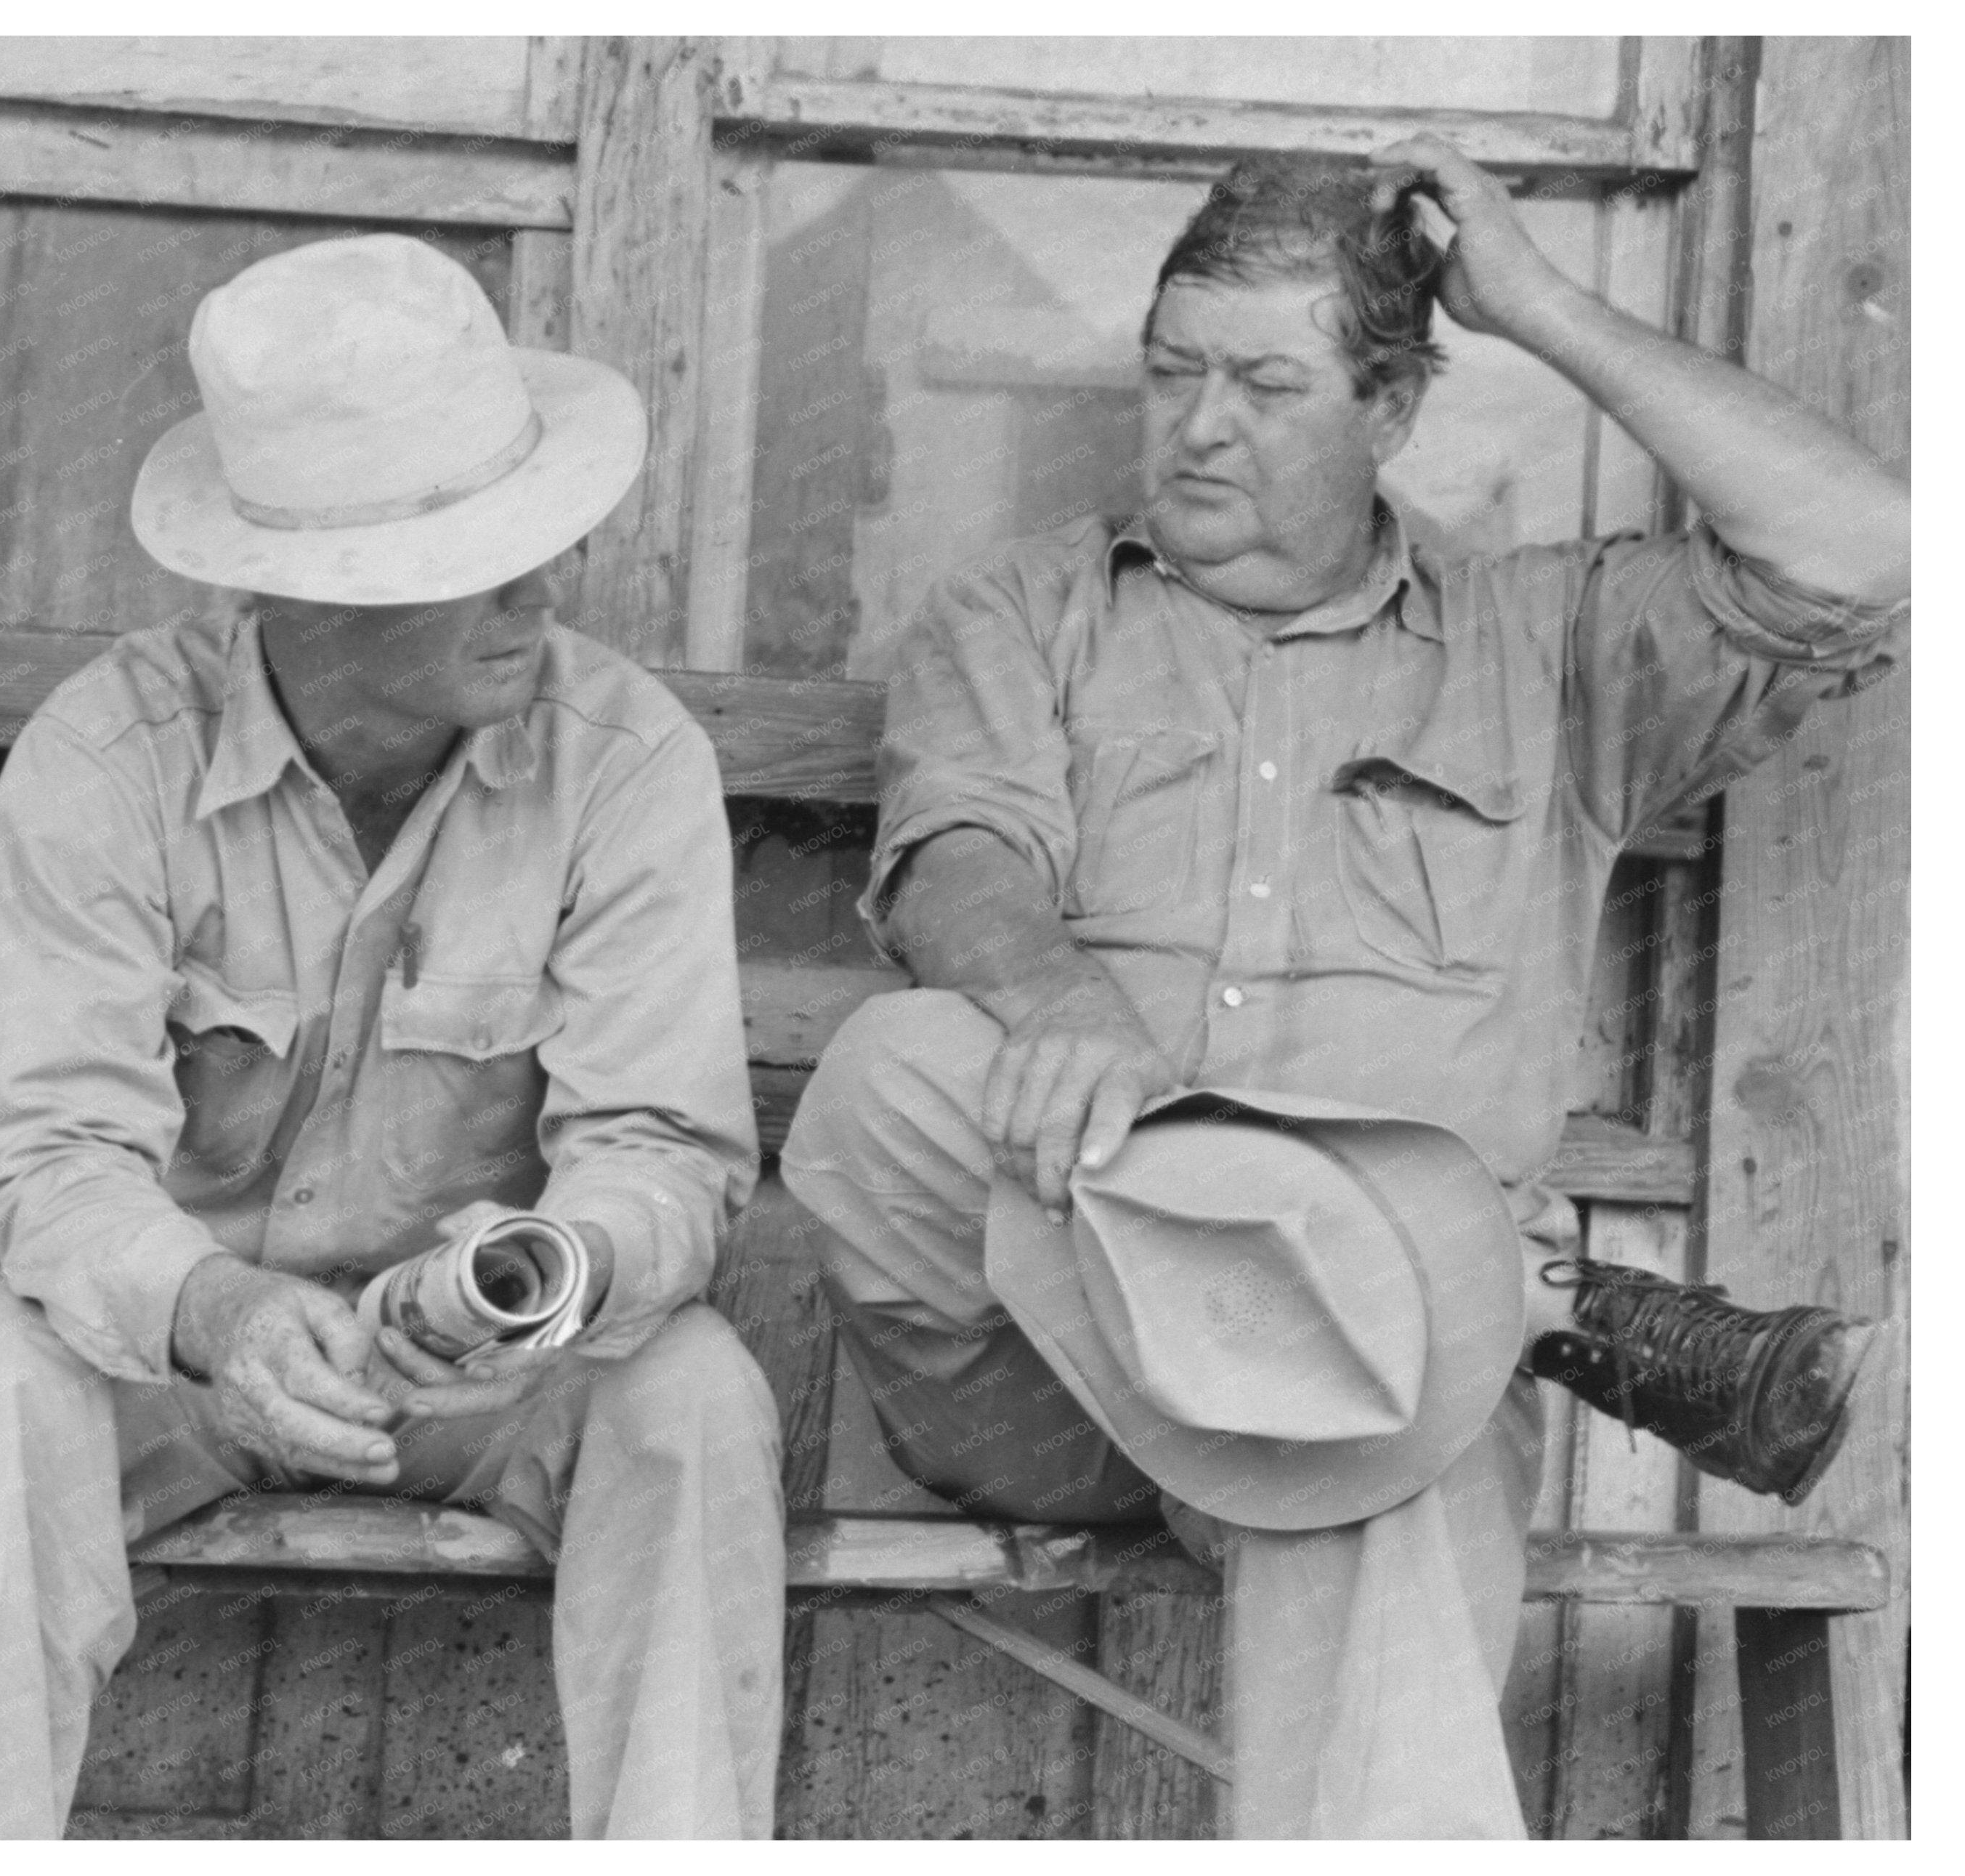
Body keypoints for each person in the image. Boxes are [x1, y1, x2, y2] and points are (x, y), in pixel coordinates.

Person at [781, 141, 1905, 1835]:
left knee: (1386, 1459)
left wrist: (1534, 304)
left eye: (1261, 382)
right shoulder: (1024, 609)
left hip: (1381, 1391)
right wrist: (1062, 1002)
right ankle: (1455, 1302)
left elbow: (1868, 552)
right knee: (894, 1068)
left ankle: (1402, 1314)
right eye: (1170, 372)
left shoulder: (1553, 647)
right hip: (1050, 1370)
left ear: (1387, 409)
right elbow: (959, 859)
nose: (1196, 424)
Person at [0, 234, 785, 1839]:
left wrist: (542, 1279)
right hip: (179, 1358)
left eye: (531, 533)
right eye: (472, 554)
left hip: (486, 1377)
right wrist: (217, 1310)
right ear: (312, 596)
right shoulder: (106, 759)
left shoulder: (625, 758)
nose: (534, 588)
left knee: (694, 1401)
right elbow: (48, 1156)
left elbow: (663, 1154)